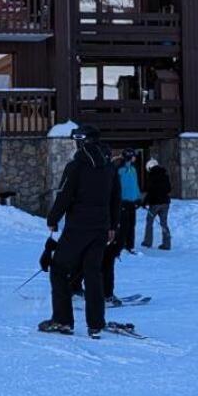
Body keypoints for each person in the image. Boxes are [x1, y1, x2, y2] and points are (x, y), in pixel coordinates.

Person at [40, 124, 120, 337]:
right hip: (101, 227)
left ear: (82, 141)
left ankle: (62, 320)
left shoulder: (76, 166)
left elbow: (65, 194)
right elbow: (115, 198)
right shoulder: (109, 166)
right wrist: (113, 225)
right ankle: (95, 323)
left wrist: (53, 218)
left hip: (78, 227)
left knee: (58, 269)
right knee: (92, 273)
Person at [141, 156, 172, 250]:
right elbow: (169, 189)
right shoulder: (165, 175)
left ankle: (148, 242)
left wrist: (143, 203)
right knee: (164, 223)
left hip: (155, 203)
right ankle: (167, 244)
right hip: (165, 202)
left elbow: (150, 191)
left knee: (149, 222)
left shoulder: (151, 176)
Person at [117, 150, 142, 254]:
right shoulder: (120, 170)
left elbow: (135, 185)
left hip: (132, 202)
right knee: (123, 225)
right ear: (128, 157)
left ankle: (130, 245)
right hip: (122, 201)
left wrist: (138, 198)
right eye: (133, 156)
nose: (135, 158)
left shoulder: (133, 169)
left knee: (132, 224)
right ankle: (120, 245)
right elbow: (116, 187)